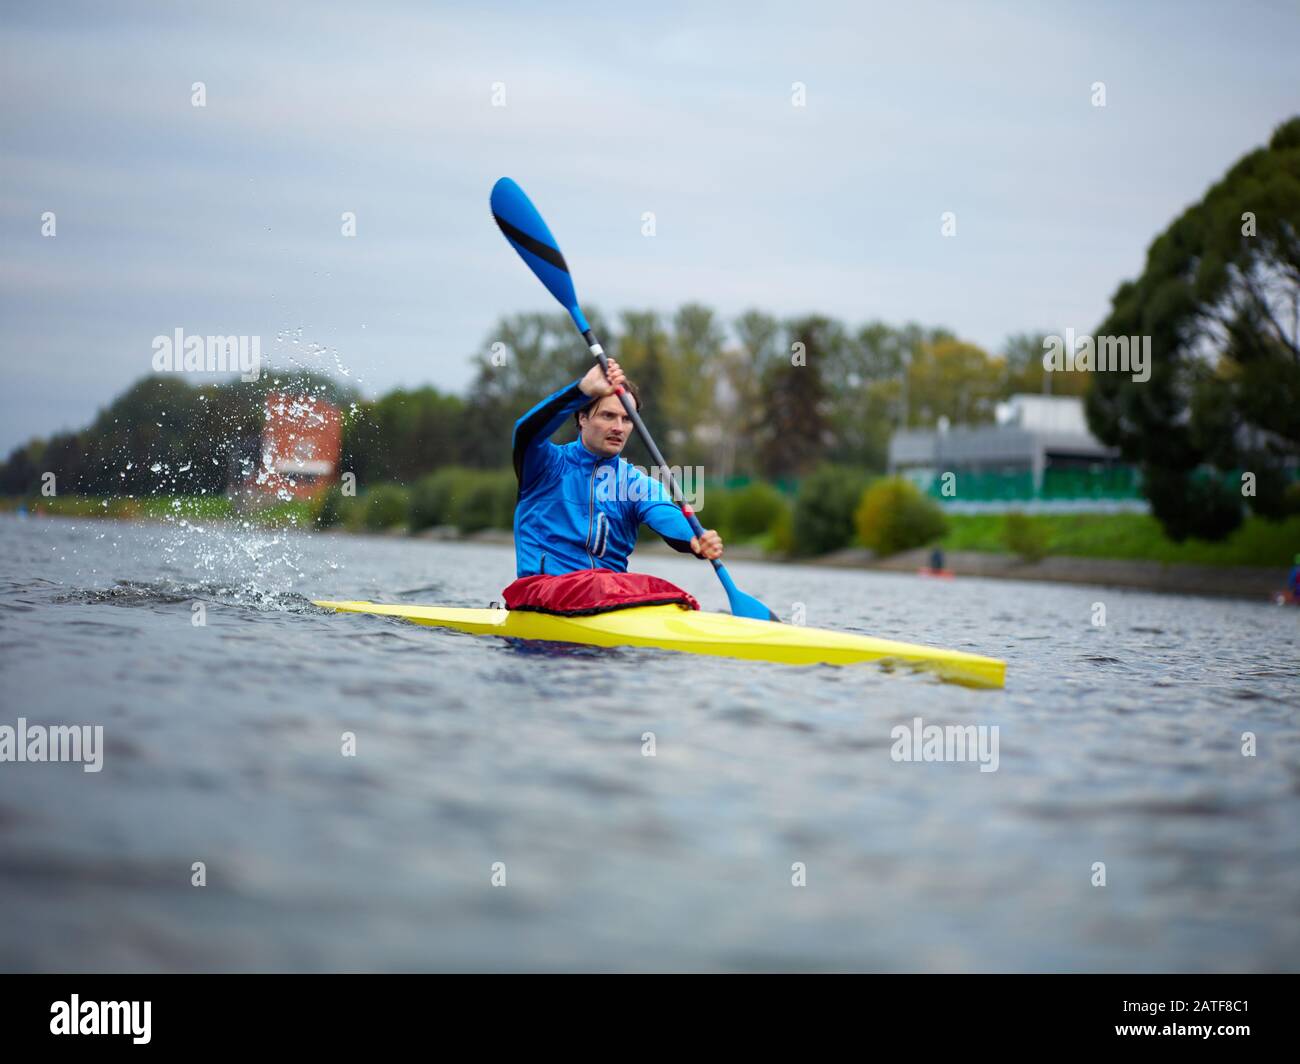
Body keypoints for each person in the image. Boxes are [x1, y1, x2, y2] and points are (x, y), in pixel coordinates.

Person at [511, 358, 723, 578]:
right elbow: (526, 432)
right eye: (608, 416)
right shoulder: (545, 464)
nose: (618, 428)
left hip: (607, 596)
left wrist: (696, 538)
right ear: (582, 418)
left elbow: (665, 514)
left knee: (665, 592)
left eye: (627, 419)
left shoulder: (636, 484)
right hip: (542, 591)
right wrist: (581, 390)